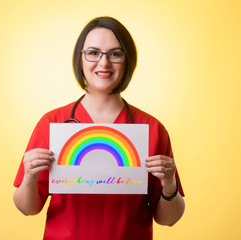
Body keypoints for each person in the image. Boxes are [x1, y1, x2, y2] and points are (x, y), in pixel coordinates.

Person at [13, 16, 185, 240]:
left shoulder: (151, 128)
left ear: (127, 60)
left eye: (115, 54)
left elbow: (168, 219)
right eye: (93, 53)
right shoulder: (53, 122)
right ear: (80, 59)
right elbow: (28, 208)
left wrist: (169, 184)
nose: (103, 63)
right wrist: (29, 177)